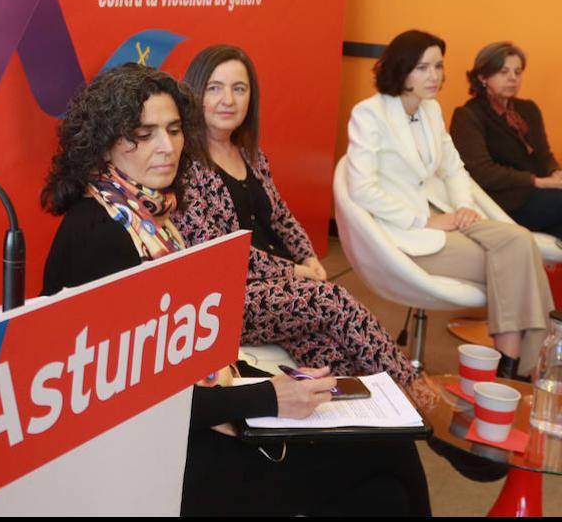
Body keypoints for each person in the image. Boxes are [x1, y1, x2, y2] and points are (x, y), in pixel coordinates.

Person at [40, 63, 430, 517]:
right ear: (104, 142)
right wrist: (268, 397)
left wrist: (269, 384)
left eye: (173, 130)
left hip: (193, 418)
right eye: (143, 135)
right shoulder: (100, 236)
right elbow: (126, 403)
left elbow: (176, 358)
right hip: (157, 460)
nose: (167, 147)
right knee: (388, 456)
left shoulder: (149, 215)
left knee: (385, 487)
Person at [172, 45, 418, 384]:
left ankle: (370, 413)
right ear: (196, 92)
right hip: (230, 297)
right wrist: (295, 271)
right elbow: (217, 252)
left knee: (330, 353)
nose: (228, 99)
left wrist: (307, 256)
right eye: (215, 88)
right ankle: (413, 387)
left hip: (280, 287)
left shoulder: (251, 156)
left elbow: (283, 219)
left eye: (239, 89)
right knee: (331, 299)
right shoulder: (184, 164)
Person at [346, 29, 553, 380]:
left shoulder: (430, 110)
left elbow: (454, 168)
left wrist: (463, 206)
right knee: (514, 258)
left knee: (521, 240)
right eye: (423, 68)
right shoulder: (369, 114)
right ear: (401, 69)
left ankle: (513, 365)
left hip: (445, 213)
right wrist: (421, 221)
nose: (435, 76)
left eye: (438, 66)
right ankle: (522, 365)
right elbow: (361, 189)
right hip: (403, 230)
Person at [450, 41, 562, 240]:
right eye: (503, 72)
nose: (513, 78)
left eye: (517, 72)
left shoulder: (528, 108)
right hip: (503, 202)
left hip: (539, 195)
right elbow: (482, 172)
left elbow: (544, 156)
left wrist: (555, 172)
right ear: (483, 77)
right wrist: (537, 181)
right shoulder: (468, 115)